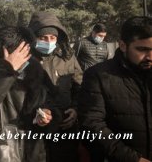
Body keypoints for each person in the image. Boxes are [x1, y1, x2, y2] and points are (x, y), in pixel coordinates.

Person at [0, 26, 59, 162]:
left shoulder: (35, 69)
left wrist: (46, 116)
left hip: (33, 150)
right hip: (0, 149)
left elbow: (51, 103)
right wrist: (7, 69)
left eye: (26, 51)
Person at [78, 16, 152, 162]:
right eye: (142, 49)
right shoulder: (97, 77)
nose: (150, 56)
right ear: (123, 45)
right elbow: (92, 124)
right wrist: (132, 159)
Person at [28, 11, 83, 162]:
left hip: (65, 126)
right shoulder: (25, 59)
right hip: (35, 131)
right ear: (34, 38)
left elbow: (79, 87)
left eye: (53, 38)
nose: (48, 41)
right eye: (43, 38)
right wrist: (36, 113)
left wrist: (75, 109)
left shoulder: (67, 57)